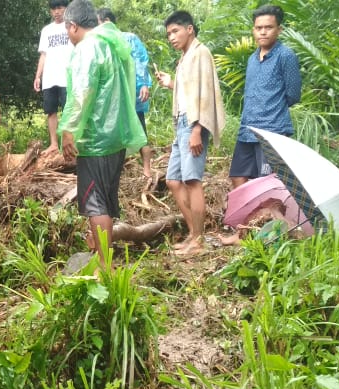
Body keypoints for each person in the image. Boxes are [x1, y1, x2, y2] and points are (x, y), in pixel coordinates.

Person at [59, 0, 146, 263]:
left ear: (73, 26)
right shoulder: (111, 44)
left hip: (96, 138)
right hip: (115, 137)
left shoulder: (88, 48)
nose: (67, 34)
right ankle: (102, 257)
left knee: (94, 203)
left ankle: (105, 266)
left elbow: (82, 93)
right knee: (105, 202)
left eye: (66, 28)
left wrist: (68, 129)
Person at [154, 10, 226, 257]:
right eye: (168, 34)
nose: (171, 37)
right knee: (173, 180)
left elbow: (205, 93)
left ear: (190, 29)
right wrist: (170, 82)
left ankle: (198, 241)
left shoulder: (200, 52)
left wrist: (197, 129)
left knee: (192, 181)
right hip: (181, 124)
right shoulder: (186, 57)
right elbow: (189, 91)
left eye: (175, 31)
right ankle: (194, 235)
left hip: (192, 124)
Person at [229, 4, 301, 189]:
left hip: (272, 131)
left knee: (269, 183)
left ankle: (272, 218)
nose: (263, 32)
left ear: (279, 29)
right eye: (259, 28)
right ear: (254, 30)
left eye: (268, 27)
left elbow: (293, 94)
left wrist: (272, 109)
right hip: (247, 129)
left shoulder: (286, 56)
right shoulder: (252, 58)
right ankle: (244, 219)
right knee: (238, 176)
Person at [95, 8, 155, 189]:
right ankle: (116, 171)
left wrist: (143, 83)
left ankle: (147, 170)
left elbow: (140, 62)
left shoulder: (128, 38)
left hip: (132, 94)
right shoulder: (102, 41)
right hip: (114, 97)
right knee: (117, 133)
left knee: (140, 129)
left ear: (105, 21)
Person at [34, 0, 73, 155]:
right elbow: (43, 54)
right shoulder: (47, 30)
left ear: (66, 9)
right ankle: (53, 144)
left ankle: (68, 143)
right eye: (53, 9)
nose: (56, 12)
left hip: (67, 76)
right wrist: (38, 76)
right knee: (51, 111)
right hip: (50, 77)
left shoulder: (72, 27)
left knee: (68, 110)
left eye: (60, 8)